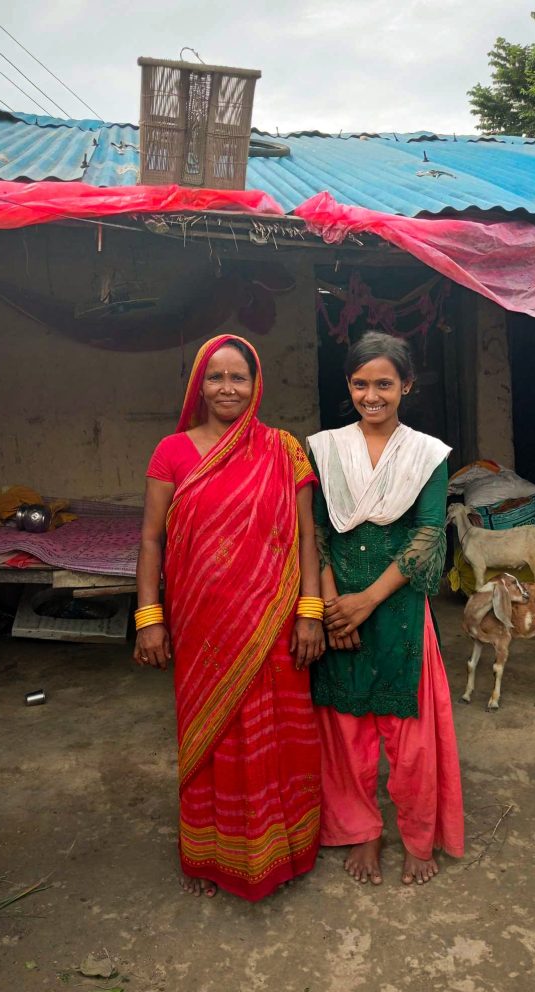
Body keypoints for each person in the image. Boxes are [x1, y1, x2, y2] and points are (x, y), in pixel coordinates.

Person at [134, 334, 325, 901]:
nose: (226, 387)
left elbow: (305, 537)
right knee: (212, 738)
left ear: (255, 382)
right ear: (199, 384)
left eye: (237, 376)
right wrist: (149, 617)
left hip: (273, 624)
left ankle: (283, 851)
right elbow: (150, 540)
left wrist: (309, 612)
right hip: (202, 629)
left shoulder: (283, 449)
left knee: (278, 739)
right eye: (214, 377)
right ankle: (213, 855)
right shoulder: (171, 451)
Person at [307, 331, 464, 886]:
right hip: (337, 603)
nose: (371, 395)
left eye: (384, 384)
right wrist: (332, 607)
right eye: (360, 384)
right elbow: (318, 531)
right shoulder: (323, 448)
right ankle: (363, 832)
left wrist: (366, 602)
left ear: (406, 386)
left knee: (410, 738)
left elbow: (425, 536)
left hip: (396, 608)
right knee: (346, 732)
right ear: (348, 385)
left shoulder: (427, 454)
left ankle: (418, 839)